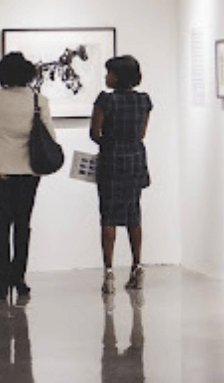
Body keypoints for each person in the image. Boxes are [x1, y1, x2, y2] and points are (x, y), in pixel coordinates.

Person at [0, 52, 56, 300]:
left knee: (0, 224)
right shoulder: (39, 100)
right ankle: (19, 278)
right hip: (29, 171)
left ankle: (1, 281)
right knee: (23, 225)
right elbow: (50, 137)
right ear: (28, 73)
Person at [89, 55, 152, 294]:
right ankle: (137, 266)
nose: (106, 77)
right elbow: (142, 133)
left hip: (111, 160)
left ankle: (108, 272)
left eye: (109, 73)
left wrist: (110, 142)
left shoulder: (105, 100)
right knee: (133, 214)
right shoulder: (144, 101)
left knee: (108, 216)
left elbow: (95, 133)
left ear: (117, 76)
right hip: (136, 159)